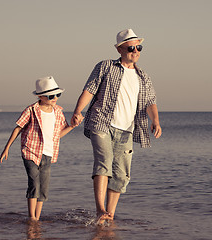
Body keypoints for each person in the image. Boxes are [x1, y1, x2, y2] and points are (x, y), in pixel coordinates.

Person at [71, 29, 162, 222]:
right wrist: (78, 111)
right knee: (104, 163)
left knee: (121, 174)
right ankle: (100, 209)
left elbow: (150, 101)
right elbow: (89, 89)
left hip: (127, 130)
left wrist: (155, 120)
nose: (135, 51)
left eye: (139, 47)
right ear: (119, 49)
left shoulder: (143, 76)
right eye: (131, 48)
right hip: (102, 123)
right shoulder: (105, 66)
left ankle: (109, 214)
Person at [0, 76, 78, 221]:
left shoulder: (58, 112)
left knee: (43, 187)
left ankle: (37, 217)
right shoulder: (31, 110)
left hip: (48, 153)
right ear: (40, 96)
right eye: (51, 95)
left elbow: (58, 135)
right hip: (31, 151)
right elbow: (18, 128)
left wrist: (72, 126)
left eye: (57, 95)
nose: (55, 98)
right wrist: (6, 148)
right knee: (34, 183)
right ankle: (32, 217)